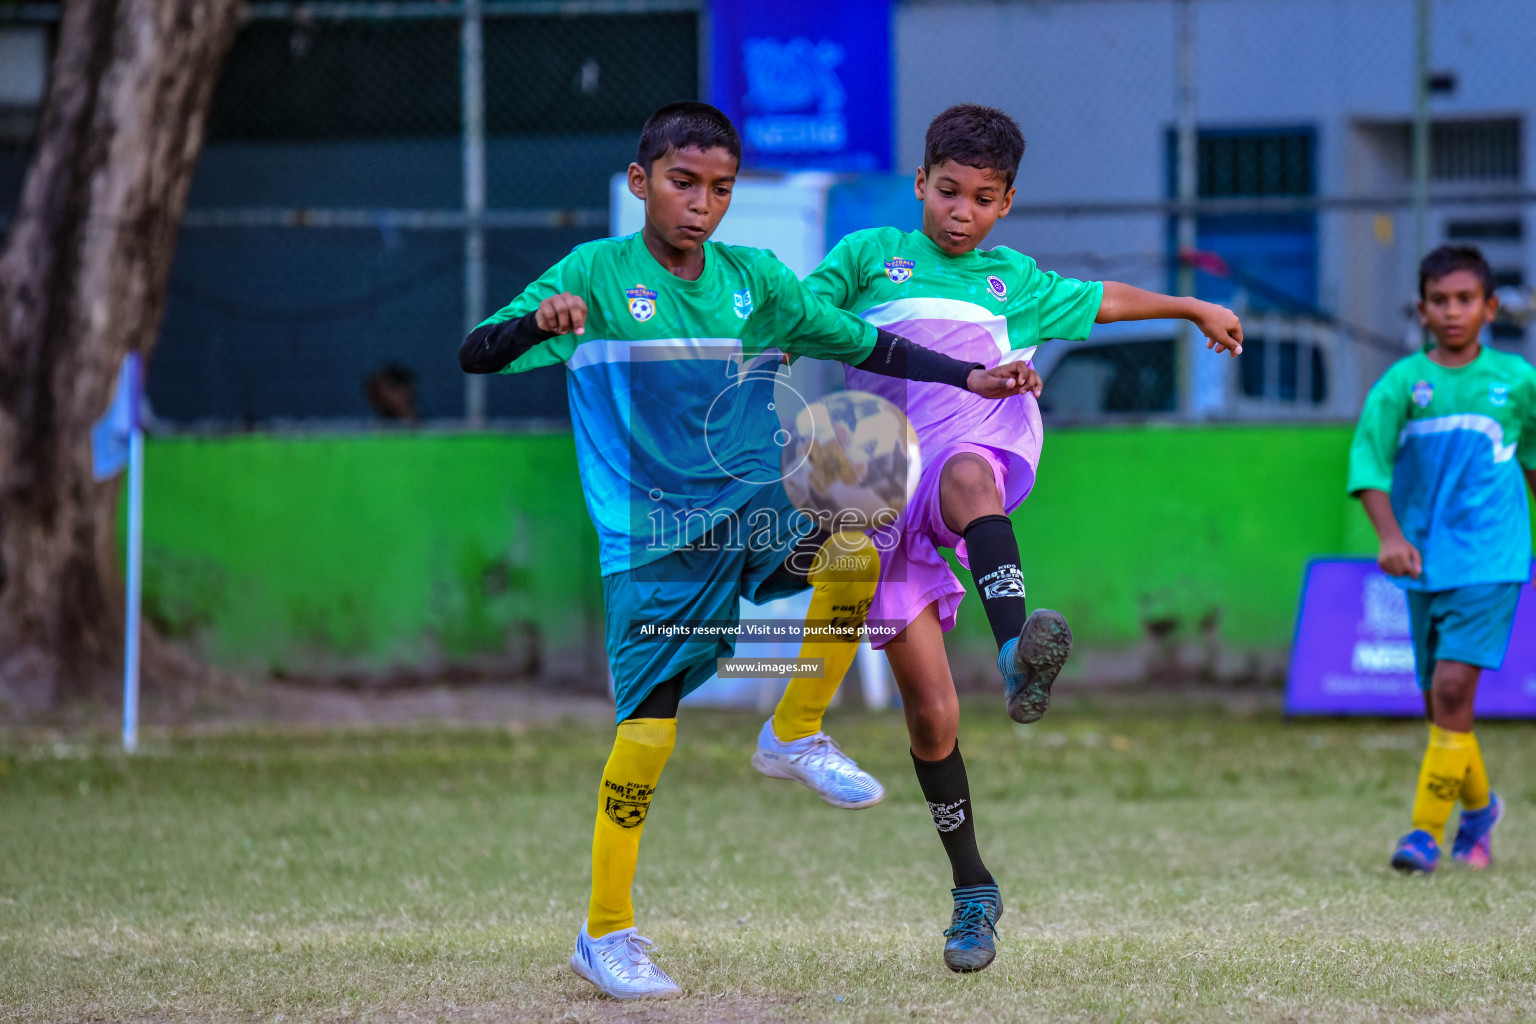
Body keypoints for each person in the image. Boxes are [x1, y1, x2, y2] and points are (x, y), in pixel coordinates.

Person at [459, 101, 1033, 1000]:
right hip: (651, 546)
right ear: (640, 182)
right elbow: (476, 353)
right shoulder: (594, 278)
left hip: (749, 508)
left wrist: (968, 375)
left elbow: (861, 338)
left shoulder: (753, 280)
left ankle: (795, 729)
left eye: (720, 189)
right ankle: (604, 932)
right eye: (683, 183)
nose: (701, 204)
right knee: (646, 739)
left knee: (860, 533)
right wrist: (538, 323)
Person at [792, 103, 1243, 972]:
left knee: (970, 476)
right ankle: (973, 888)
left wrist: (1189, 305)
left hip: (968, 451)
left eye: (983, 198)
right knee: (930, 714)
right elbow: (806, 317)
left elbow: (1103, 301)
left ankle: (1014, 652)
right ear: (920, 184)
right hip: (878, 487)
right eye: (948, 192)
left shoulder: (1012, 280)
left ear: (1006, 205)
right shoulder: (865, 259)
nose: (961, 212)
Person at [1348, 243, 1536, 875]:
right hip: (1426, 562)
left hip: (1494, 557)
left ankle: (1424, 836)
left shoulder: (1518, 381)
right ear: (1422, 310)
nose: (1452, 312)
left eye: (1465, 300)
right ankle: (1480, 812)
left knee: (1455, 689)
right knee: (1441, 706)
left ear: (1491, 308)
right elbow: (1369, 464)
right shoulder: (1402, 384)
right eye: (1440, 301)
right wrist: (1391, 537)